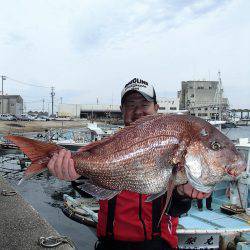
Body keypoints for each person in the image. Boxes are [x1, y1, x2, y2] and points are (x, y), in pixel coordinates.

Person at [48, 78, 211, 250]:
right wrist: (73, 174)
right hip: (110, 245)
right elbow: (89, 193)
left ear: (156, 108)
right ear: (122, 110)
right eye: (131, 105)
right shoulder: (106, 147)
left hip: (157, 246)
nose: (138, 111)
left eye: (145, 104)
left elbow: (176, 210)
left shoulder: (177, 146)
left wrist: (182, 193)